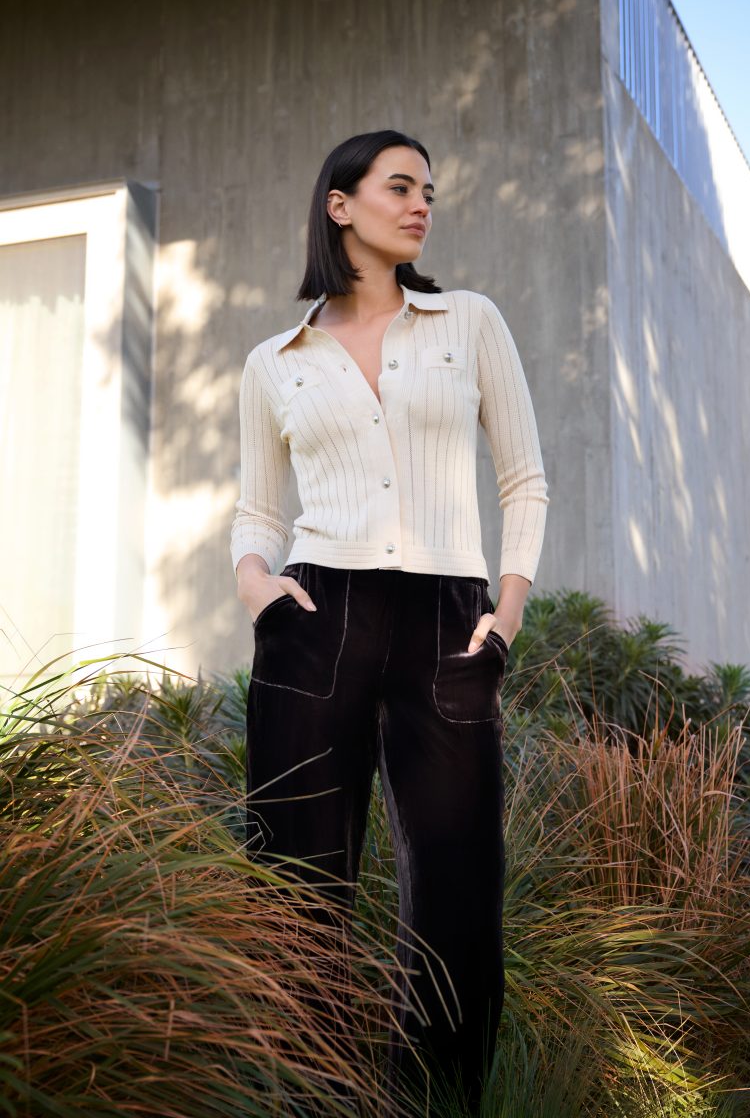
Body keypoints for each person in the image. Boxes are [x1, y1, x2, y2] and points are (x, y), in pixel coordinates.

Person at [231, 129, 548, 1115]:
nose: (419, 204)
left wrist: (504, 615)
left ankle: (439, 1099)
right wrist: (257, 589)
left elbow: (523, 480)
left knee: (455, 887)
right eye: (398, 186)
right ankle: (307, 1097)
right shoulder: (274, 361)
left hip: (447, 619)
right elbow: (256, 509)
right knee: (295, 880)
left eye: (428, 192)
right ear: (339, 205)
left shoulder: (467, 322)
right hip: (314, 612)